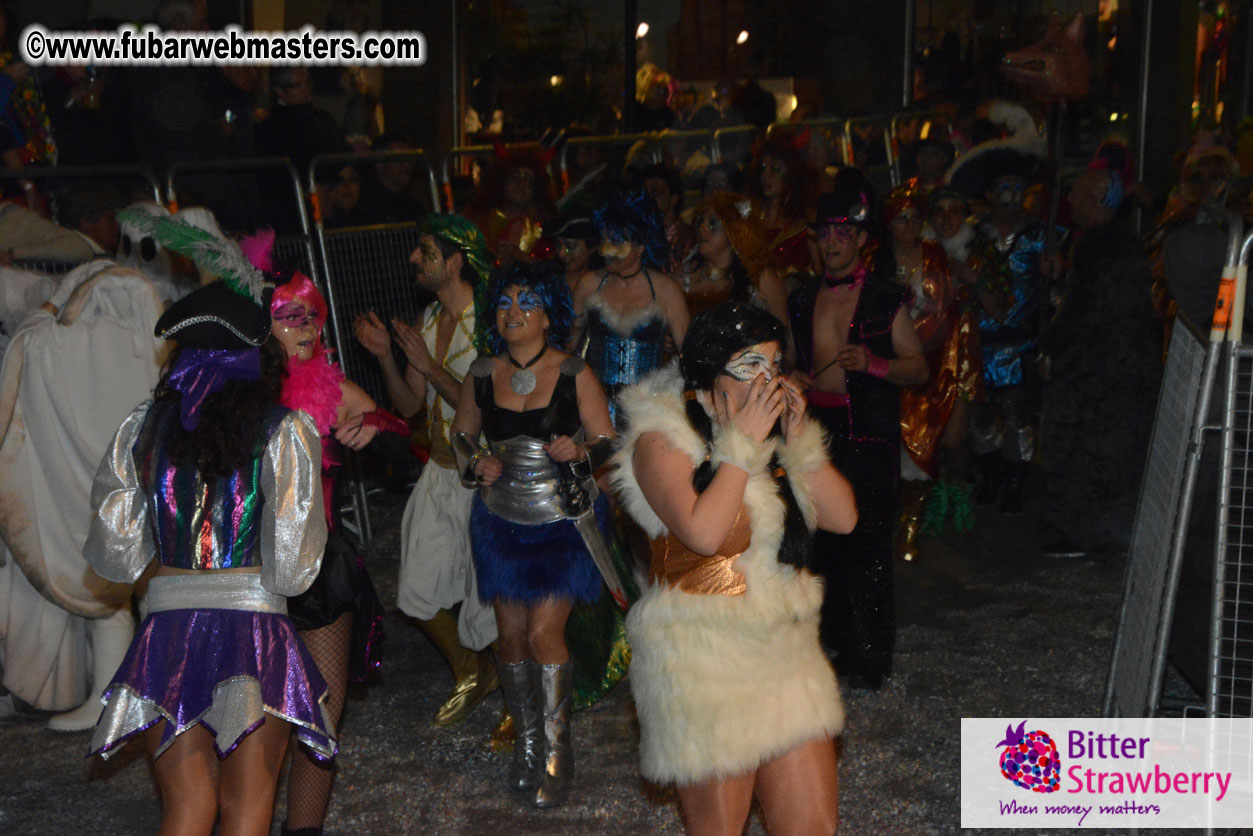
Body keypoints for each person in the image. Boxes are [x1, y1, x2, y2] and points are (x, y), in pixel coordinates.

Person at [83, 234, 334, 836]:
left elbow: (117, 556)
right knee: (247, 810)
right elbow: (296, 569)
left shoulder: (143, 426)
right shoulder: (285, 430)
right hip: (254, 632)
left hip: (167, 631)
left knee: (186, 809)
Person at [611, 301, 856, 834]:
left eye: (773, 364)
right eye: (748, 366)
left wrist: (798, 442)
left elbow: (842, 518)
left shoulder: (768, 433)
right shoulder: (661, 440)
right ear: (707, 376)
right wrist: (740, 445)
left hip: (785, 654)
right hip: (704, 663)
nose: (766, 380)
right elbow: (703, 534)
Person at [451, 259, 616, 808]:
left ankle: (557, 752)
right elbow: (460, 436)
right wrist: (477, 463)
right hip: (500, 519)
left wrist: (582, 449)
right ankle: (526, 745)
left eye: (527, 303)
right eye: (504, 303)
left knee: (546, 633)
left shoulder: (574, 373)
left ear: (549, 314)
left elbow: (607, 440)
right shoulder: (481, 372)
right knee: (511, 639)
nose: (513, 312)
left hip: (562, 519)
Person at [243, 232, 394, 836]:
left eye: (312, 317)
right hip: (248, 575)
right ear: (261, 325)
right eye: (289, 317)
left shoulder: (324, 387)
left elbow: (396, 424)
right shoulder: (236, 398)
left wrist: (373, 424)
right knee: (252, 726)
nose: (306, 329)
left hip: (320, 572)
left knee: (320, 724)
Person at [353, 214, 500, 730]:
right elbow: (413, 406)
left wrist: (428, 363)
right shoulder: (429, 317)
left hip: (486, 478)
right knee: (414, 593)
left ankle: (517, 700)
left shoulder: (492, 321)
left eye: (426, 252)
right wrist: (389, 359)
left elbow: (488, 402)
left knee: (494, 603)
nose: (415, 260)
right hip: (440, 472)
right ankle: (472, 672)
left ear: (455, 260)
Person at [790, 188, 929, 690]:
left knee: (868, 546)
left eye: (841, 233)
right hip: (817, 435)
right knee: (822, 545)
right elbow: (794, 360)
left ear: (861, 240)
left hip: (868, 433)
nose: (831, 242)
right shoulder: (803, 297)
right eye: (824, 234)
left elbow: (919, 368)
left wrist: (874, 364)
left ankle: (872, 659)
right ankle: (837, 647)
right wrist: (796, 379)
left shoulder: (883, 298)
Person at [1037, 167, 1160, 560]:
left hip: (1103, 372)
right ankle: (1096, 532)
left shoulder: (1102, 247)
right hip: (1117, 368)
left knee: (1087, 451)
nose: (1070, 201)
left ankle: (1089, 534)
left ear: (1094, 201)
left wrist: (1052, 346)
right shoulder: (1112, 244)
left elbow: (1088, 312)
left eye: (1076, 194)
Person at [948, 147, 1056, 515]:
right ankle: (991, 474)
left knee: (1016, 418)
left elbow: (1059, 288)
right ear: (990, 195)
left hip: (1021, 342)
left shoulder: (1042, 235)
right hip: (979, 342)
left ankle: (1015, 480)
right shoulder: (972, 234)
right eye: (1002, 188)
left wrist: (1054, 271)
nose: (1010, 195)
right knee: (979, 417)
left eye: (1016, 187)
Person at [881, 187, 982, 560]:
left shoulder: (936, 255)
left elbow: (945, 308)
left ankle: (914, 523)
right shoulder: (877, 259)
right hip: (887, 365)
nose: (908, 225)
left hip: (935, 361)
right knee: (891, 446)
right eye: (900, 217)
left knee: (932, 442)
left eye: (914, 217)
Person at [570, 192, 689, 426]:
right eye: (603, 240)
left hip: (648, 413)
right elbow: (567, 347)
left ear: (641, 246)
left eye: (616, 241)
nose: (605, 250)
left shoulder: (666, 290)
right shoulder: (589, 284)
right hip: (594, 408)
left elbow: (689, 355)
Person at [678, 191, 788, 325]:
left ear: (734, 232)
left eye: (713, 223)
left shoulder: (760, 279)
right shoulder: (686, 276)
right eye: (700, 221)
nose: (702, 228)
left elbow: (786, 334)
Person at [745, 132, 821, 288]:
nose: (766, 176)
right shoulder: (748, 216)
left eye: (776, 169)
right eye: (763, 168)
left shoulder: (807, 221)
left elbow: (820, 274)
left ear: (792, 175)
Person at [641, 162, 695, 273]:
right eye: (646, 193)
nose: (650, 198)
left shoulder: (688, 236)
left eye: (657, 191)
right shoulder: (642, 234)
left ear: (674, 198)